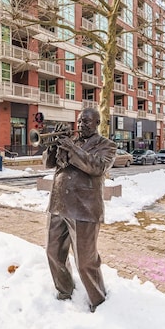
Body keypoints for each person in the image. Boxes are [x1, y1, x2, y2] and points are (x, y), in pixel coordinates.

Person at [42, 107, 117, 312]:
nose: (81, 125)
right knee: (53, 252)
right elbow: (48, 164)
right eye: (79, 121)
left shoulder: (107, 145)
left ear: (97, 123)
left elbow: (97, 167)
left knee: (85, 261)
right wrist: (53, 146)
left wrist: (72, 148)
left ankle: (98, 299)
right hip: (58, 204)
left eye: (86, 121)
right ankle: (65, 289)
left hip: (84, 208)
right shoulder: (71, 141)